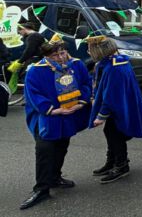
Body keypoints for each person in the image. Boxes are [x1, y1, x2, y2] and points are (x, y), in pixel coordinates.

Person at [20, 38, 91, 210]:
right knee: (44, 152)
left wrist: (81, 102)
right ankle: (42, 189)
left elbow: (86, 83)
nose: (60, 57)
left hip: (69, 114)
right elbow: (33, 94)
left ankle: (55, 178)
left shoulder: (77, 64)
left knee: (62, 146)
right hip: (48, 117)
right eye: (55, 55)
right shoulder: (35, 71)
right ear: (46, 56)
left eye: (62, 53)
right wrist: (53, 110)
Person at [88, 36, 142, 184]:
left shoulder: (114, 68)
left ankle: (121, 165)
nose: (88, 51)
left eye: (90, 49)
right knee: (111, 133)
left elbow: (111, 96)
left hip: (119, 107)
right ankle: (113, 161)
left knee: (115, 134)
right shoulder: (114, 62)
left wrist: (101, 116)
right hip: (122, 104)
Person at [7, 22, 46, 92]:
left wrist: (20, 61)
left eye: (19, 32)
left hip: (34, 60)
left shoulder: (32, 36)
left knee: (27, 79)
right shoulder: (36, 35)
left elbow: (29, 51)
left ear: (23, 29)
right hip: (37, 59)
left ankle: (29, 97)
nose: (20, 34)